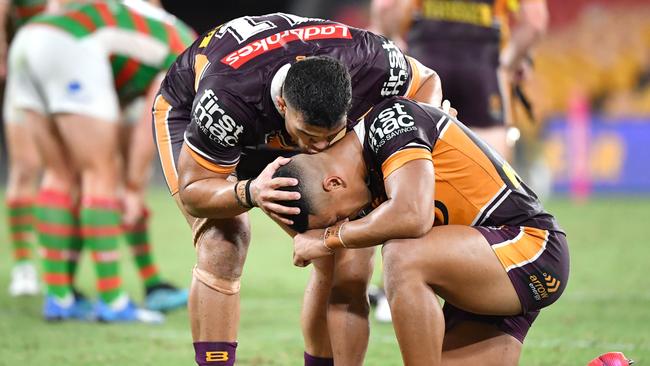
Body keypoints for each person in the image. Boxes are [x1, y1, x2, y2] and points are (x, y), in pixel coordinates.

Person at [153, 13, 441, 365]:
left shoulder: (369, 60)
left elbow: (427, 81)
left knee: (340, 257)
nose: (318, 148)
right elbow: (196, 191)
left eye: (330, 135)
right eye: (310, 135)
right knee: (224, 239)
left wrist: (417, 136)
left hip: (270, 117)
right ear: (283, 105)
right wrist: (249, 192)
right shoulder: (227, 97)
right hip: (195, 111)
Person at [274, 96, 569, 365]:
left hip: (528, 248)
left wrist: (328, 239)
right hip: (485, 275)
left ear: (333, 183)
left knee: (402, 254)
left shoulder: (390, 120)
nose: (345, 220)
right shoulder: (366, 175)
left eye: (337, 216)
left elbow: (413, 216)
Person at [3, 0, 194, 321]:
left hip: (28, 41)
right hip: (70, 46)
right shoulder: (187, 57)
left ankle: (59, 298)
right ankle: (113, 301)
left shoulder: (150, 31)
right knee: (102, 173)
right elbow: (155, 119)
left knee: (59, 173)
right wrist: (132, 187)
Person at [370, 0, 549, 160]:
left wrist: (393, 43)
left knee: (415, 163)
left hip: (424, 70)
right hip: (482, 73)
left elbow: (385, 8)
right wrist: (510, 61)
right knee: (490, 175)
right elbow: (535, 22)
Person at [1, 0, 48, 297]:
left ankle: (63, 276)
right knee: (26, 166)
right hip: (31, 68)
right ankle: (23, 265)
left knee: (90, 173)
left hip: (86, 69)